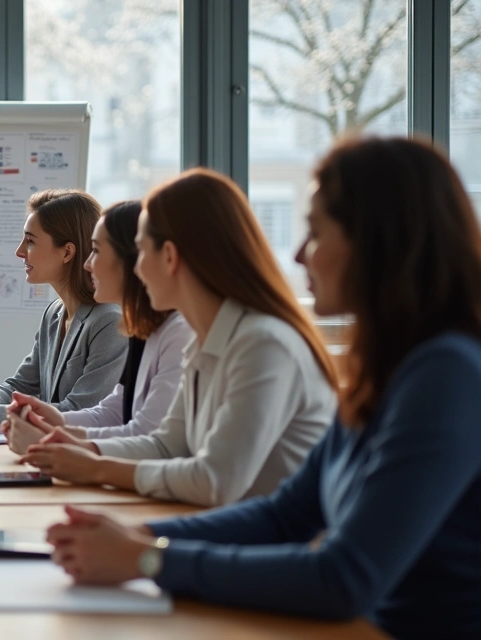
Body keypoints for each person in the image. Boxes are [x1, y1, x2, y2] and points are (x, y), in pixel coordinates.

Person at [45, 136, 481, 637]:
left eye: (315, 233)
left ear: (380, 241)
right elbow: (285, 514)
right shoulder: (385, 368)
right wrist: (136, 535)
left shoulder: (447, 375)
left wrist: (148, 559)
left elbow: (343, 577)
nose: (298, 255)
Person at [19, 168, 336, 507]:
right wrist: (70, 446)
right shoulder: (205, 339)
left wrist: (96, 467)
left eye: (140, 253)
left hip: (271, 544)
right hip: (231, 528)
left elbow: (214, 481)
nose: (136, 269)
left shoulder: (263, 344)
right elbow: (166, 445)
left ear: (170, 256)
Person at [1, 200, 192, 453]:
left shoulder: (176, 333)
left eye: (96, 251)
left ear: (131, 260)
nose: (87, 263)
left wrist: (54, 442)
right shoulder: (143, 329)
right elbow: (113, 413)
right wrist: (52, 423)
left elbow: (147, 435)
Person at [0, 189, 128, 429]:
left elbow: (81, 411)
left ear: (67, 252)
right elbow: (22, 385)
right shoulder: (54, 313)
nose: (20, 251)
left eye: (30, 241)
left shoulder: (110, 322)